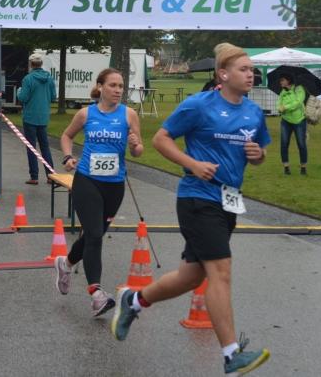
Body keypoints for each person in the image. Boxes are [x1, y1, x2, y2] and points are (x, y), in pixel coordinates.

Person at [109, 43, 271, 376]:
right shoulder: (199, 105)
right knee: (221, 270)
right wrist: (192, 164)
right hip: (197, 198)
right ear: (223, 74)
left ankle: (133, 301)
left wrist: (258, 156)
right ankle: (231, 354)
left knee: (191, 276)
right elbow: (161, 139)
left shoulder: (254, 113)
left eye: (252, 70)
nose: (250, 74)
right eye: (243, 69)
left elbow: (259, 154)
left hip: (228, 200)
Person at [54, 68, 144, 316]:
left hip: (114, 185)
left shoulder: (129, 115)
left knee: (95, 235)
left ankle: (65, 264)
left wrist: (135, 145)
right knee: (94, 234)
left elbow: (138, 151)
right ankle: (96, 294)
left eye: (121, 86)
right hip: (87, 180)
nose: (118, 90)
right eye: (113, 85)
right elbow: (66, 135)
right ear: (101, 87)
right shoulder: (86, 113)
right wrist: (68, 156)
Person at [17, 53, 57, 185]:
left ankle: (34, 176)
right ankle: (50, 175)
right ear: (41, 63)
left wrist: (19, 91)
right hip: (43, 116)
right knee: (45, 147)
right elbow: (53, 97)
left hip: (30, 117)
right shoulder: (49, 78)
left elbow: (23, 98)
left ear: (30, 64)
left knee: (31, 147)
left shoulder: (28, 79)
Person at [277, 73, 308, 175]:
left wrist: (285, 107)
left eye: (282, 80)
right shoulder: (283, 92)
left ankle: (303, 167)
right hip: (285, 120)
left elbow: (298, 103)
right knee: (284, 144)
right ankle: (286, 167)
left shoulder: (299, 89)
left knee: (301, 144)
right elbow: (279, 103)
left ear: (288, 80)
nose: (281, 82)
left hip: (299, 120)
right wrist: (279, 108)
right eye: (280, 80)